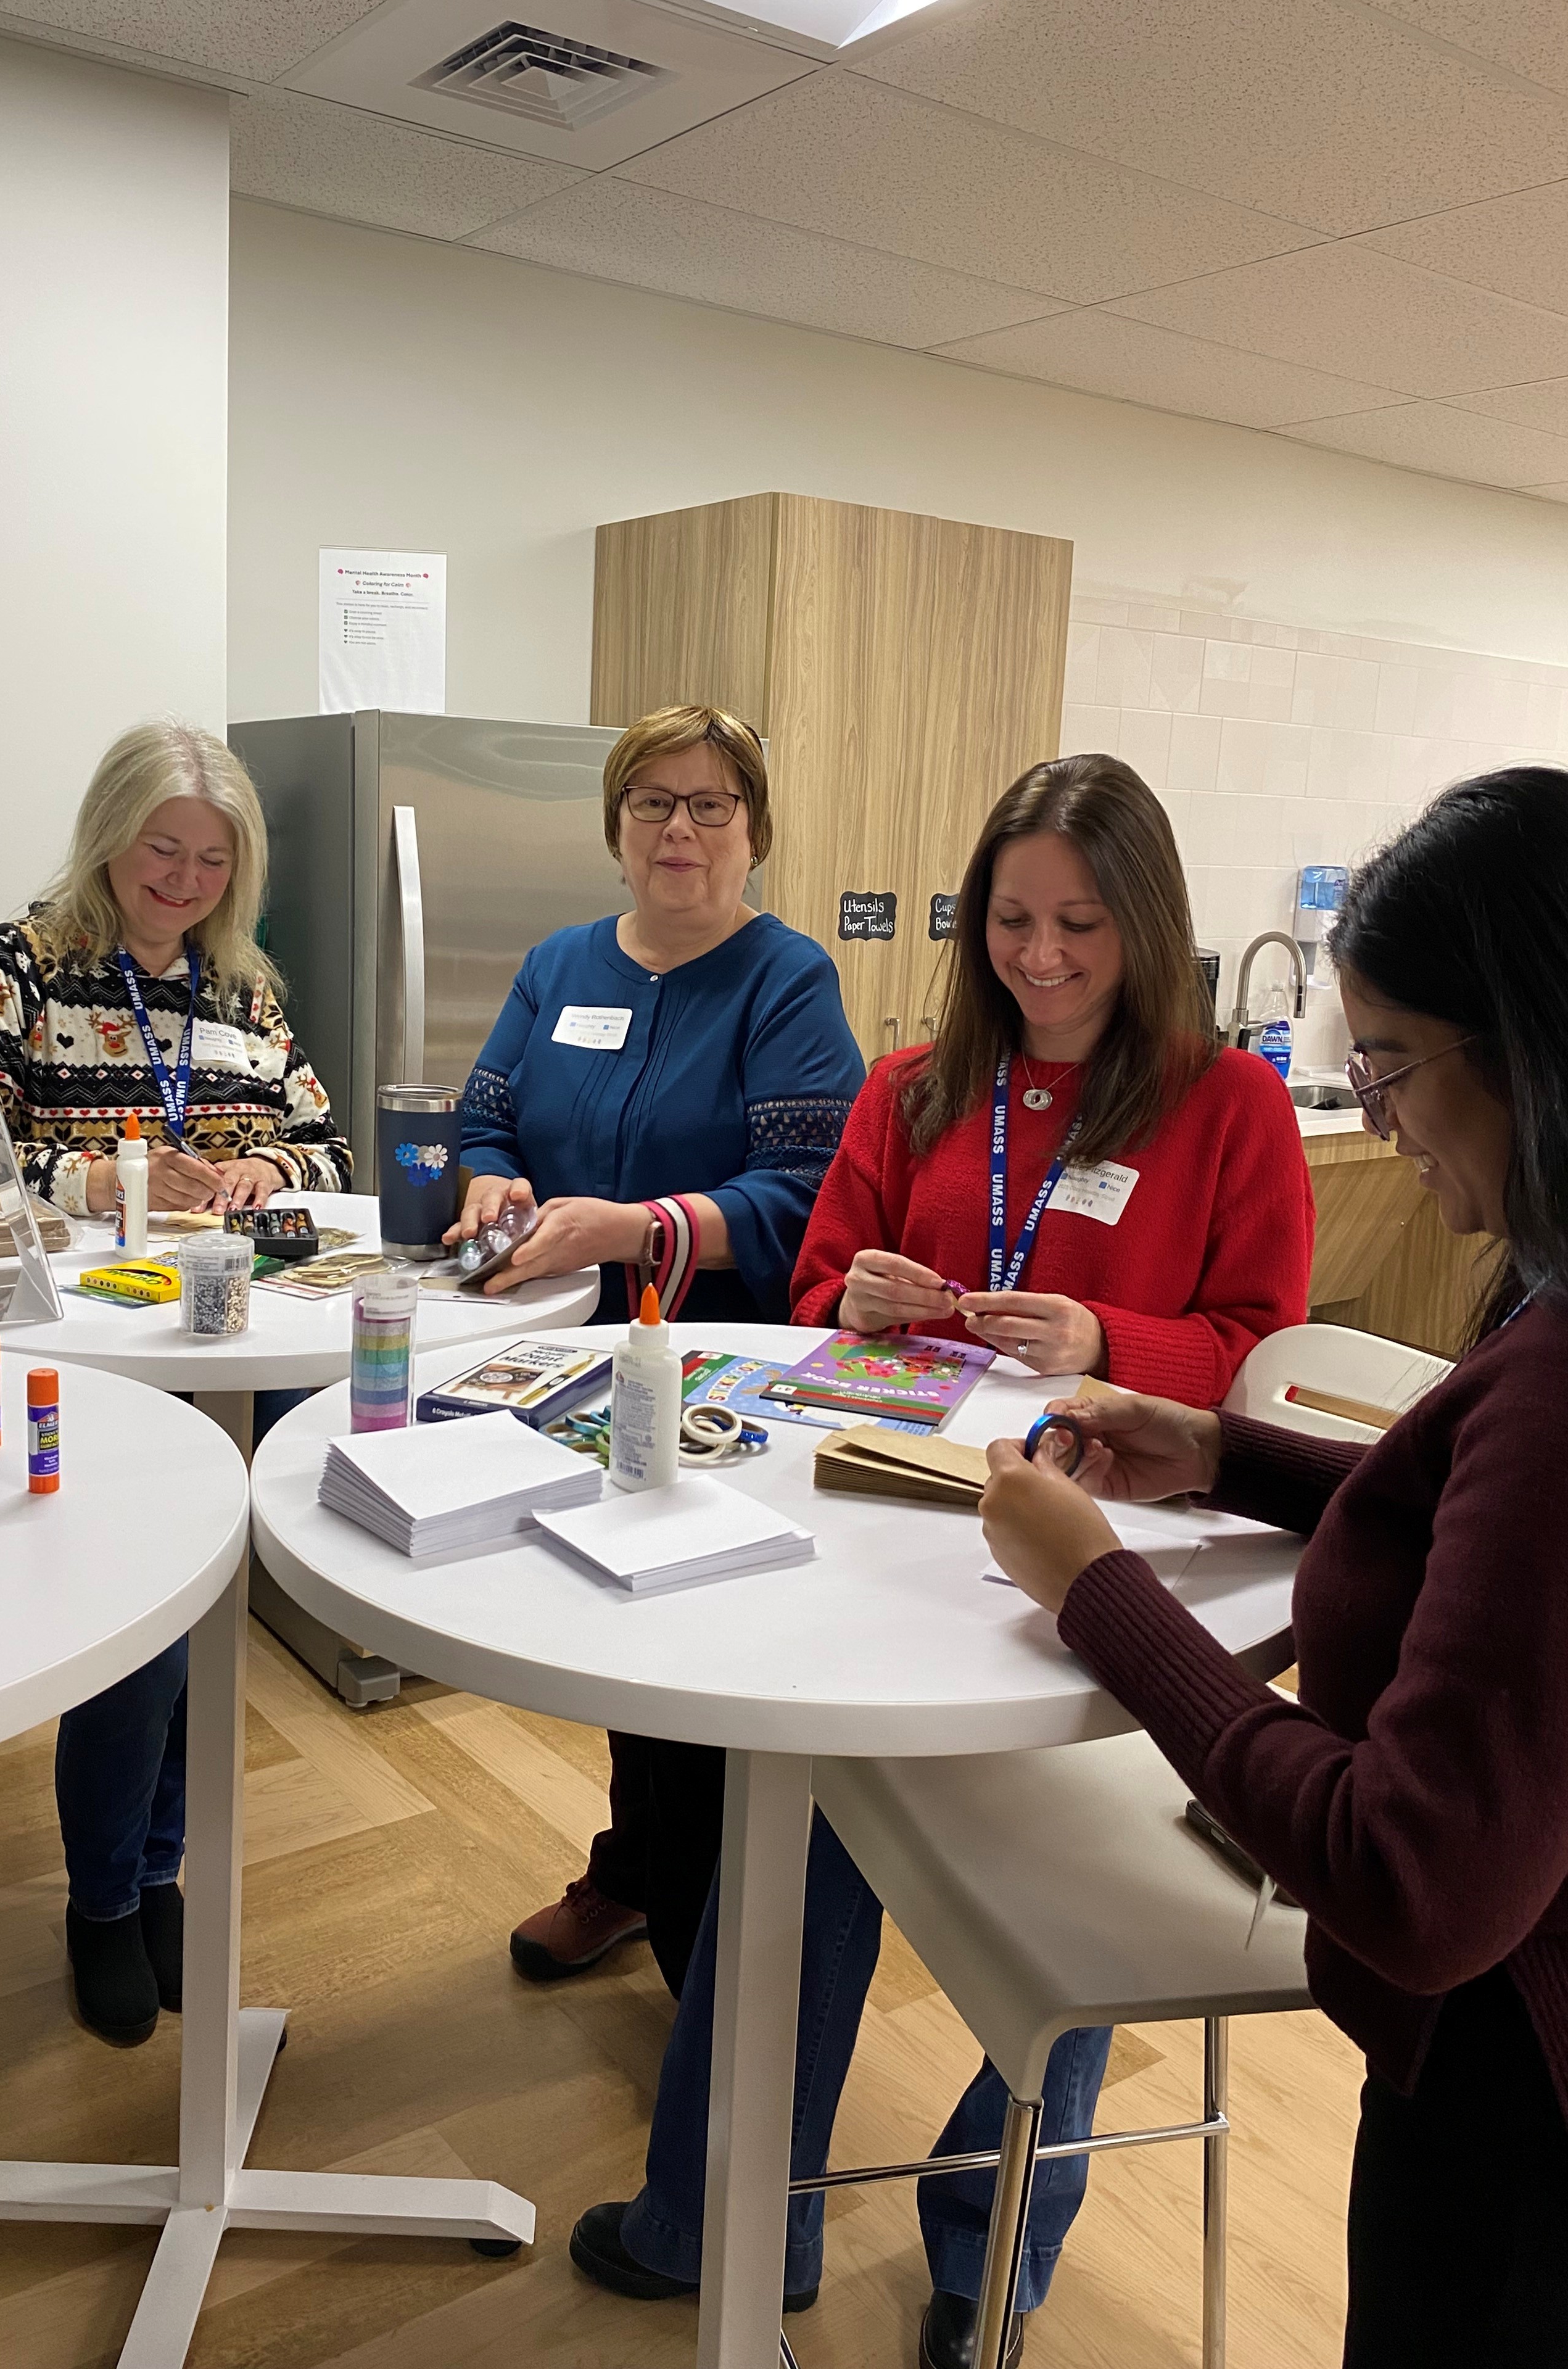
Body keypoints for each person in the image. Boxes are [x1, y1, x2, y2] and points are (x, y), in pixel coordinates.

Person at [569, 753, 1315, 2368]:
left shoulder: (1230, 1104)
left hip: (1101, 1561)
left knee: (1014, 1864)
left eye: (1080, 926)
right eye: (1011, 921)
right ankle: (726, 2220)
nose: (1039, 958)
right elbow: (813, 1296)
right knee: (811, 1793)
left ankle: (984, 2248)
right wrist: (857, 1295)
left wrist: (1110, 1337)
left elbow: (1255, 1359)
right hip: (889, 1532)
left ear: (1147, 926)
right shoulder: (914, 1082)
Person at [982, 766, 1568, 2368]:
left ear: (1525, 1045)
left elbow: (1416, 1882)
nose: (1371, 1112)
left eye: (1388, 1063)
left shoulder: (1553, 1381)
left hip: (1513, 2121)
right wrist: (1223, 1451)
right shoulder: (1541, 1310)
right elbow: (1488, 1539)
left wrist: (1099, 1592)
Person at [0, 720, 350, 2048]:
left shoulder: (245, 988)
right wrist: (90, 1180)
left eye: (214, 860)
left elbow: (328, 1147)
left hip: (226, 1353)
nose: (187, 881)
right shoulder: (22, 966)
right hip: (88, 1361)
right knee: (136, 1641)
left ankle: (159, 1876)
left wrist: (272, 1170)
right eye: (164, 849)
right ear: (109, 837)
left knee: (204, 1632)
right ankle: (105, 1899)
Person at [455, 703, 864, 1995]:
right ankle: (636, 1871)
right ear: (616, 827)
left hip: (713, 1371)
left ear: (753, 831)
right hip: (564, 1353)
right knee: (611, 1622)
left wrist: (636, 1227)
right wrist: (489, 1182)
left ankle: (708, 1958)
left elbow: (812, 1193)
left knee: (699, 1641)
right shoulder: (559, 963)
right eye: (652, 803)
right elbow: (484, 1119)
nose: (679, 829)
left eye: (710, 805)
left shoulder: (787, 979)